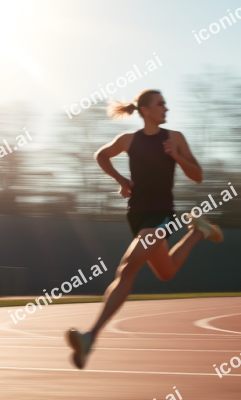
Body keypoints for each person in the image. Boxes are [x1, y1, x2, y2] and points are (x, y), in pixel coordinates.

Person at [66, 89, 222, 369]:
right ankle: (199, 231)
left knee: (126, 270)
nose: (167, 108)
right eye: (161, 104)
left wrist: (176, 156)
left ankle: (90, 337)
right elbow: (101, 155)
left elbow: (197, 176)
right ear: (146, 110)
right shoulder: (129, 140)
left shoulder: (174, 138)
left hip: (160, 216)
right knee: (166, 272)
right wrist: (121, 180)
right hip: (136, 217)